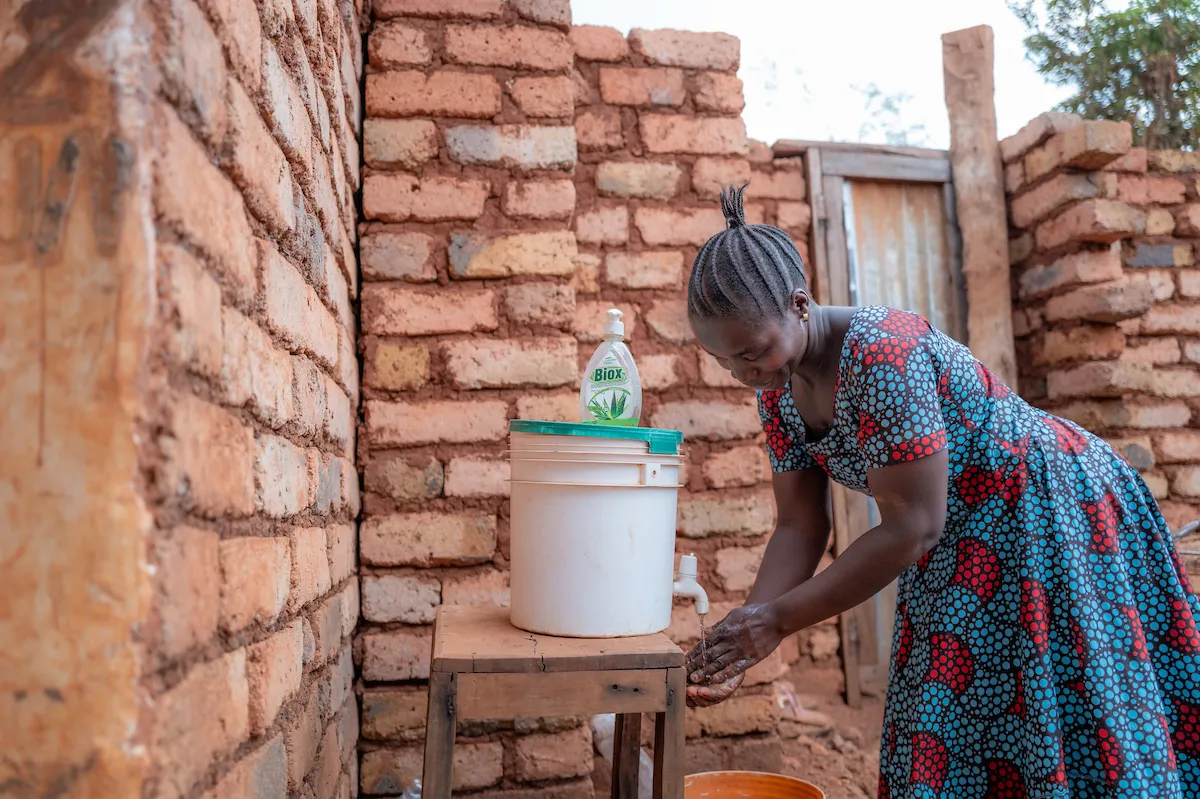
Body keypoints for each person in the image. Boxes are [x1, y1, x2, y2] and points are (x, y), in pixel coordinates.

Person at [683, 185, 1200, 798]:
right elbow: (800, 525)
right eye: (725, 363)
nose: (745, 375)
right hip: (961, 535)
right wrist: (750, 629)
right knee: (948, 715)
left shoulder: (881, 352)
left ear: (800, 303)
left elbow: (912, 527)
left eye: (752, 353)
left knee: (1064, 704)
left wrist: (778, 621)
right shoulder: (778, 390)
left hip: (1046, 507)